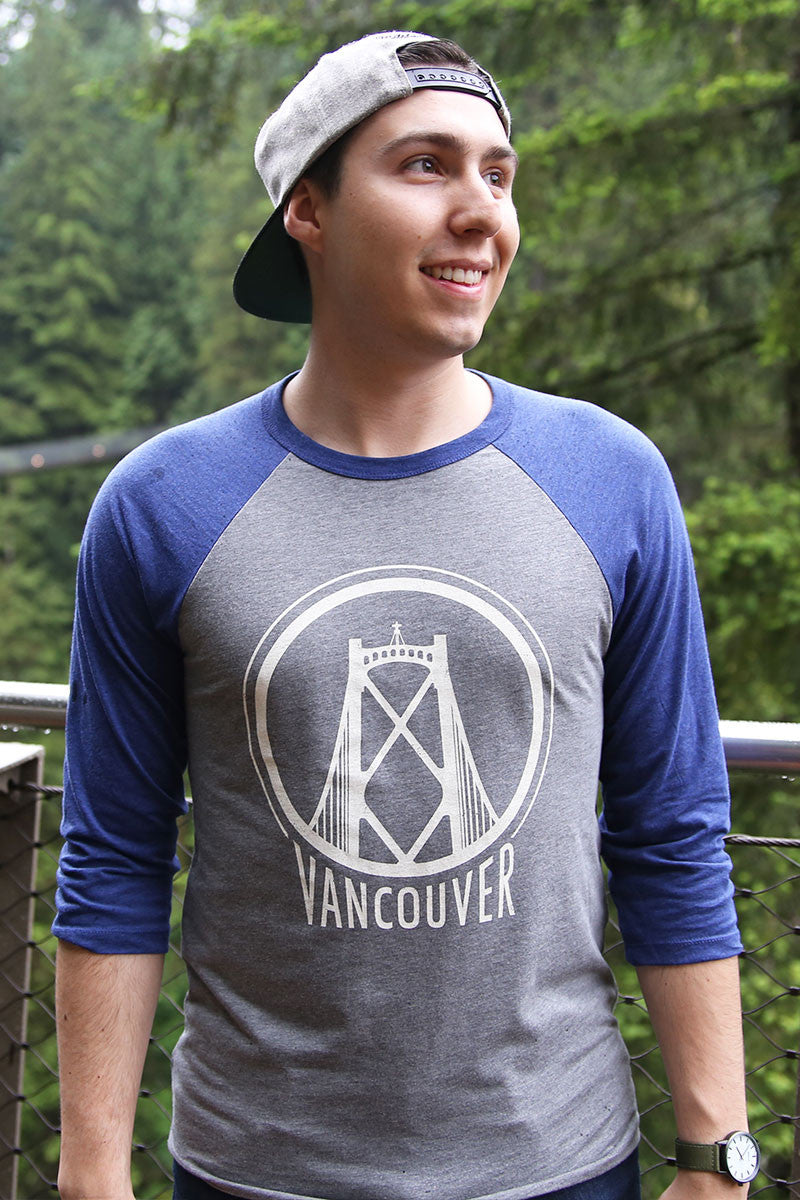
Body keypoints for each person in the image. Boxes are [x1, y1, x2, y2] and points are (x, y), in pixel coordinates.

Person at [54, 30, 754, 1200]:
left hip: (560, 1166)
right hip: (253, 1172)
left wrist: (716, 1160)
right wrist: (90, 1175)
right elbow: (116, 856)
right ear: (308, 211)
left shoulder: (610, 480)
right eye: (425, 164)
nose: (480, 211)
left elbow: (669, 832)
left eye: (497, 173)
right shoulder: (163, 504)